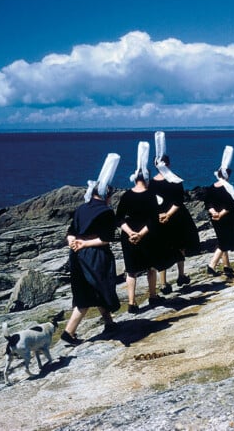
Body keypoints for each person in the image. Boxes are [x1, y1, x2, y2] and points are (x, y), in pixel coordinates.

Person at [62, 153, 122, 346]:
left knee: (91, 291)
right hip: (94, 256)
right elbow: (106, 239)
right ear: (106, 194)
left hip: (77, 255)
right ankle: (69, 333)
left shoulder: (82, 208)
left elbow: (71, 231)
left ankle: (109, 323)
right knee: (95, 290)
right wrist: (85, 243)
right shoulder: (106, 212)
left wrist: (74, 242)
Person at [116, 141, 167, 314]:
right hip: (148, 235)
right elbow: (154, 219)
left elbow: (119, 218)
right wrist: (141, 234)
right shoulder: (151, 196)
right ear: (146, 178)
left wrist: (131, 233)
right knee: (150, 267)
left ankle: (131, 302)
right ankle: (152, 296)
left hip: (128, 235)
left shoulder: (126, 196)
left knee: (131, 271)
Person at [150, 131, 199, 294]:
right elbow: (179, 202)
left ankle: (163, 283)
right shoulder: (176, 181)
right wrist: (169, 215)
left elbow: (150, 202)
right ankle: (181, 275)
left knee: (163, 249)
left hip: (159, 218)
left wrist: (160, 215)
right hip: (177, 217)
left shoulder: (151, 183)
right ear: (169, 164)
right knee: (180, 246)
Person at [205, 145, 234, 277]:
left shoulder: (211, 187)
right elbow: (230, 205)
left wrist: (213, 212)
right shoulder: (228, 188)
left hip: (214, 218)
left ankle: (227, 266)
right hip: (226, 218)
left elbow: (208, 202)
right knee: (224, 242)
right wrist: (221, 214)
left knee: (221, 239)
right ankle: (212, 265)